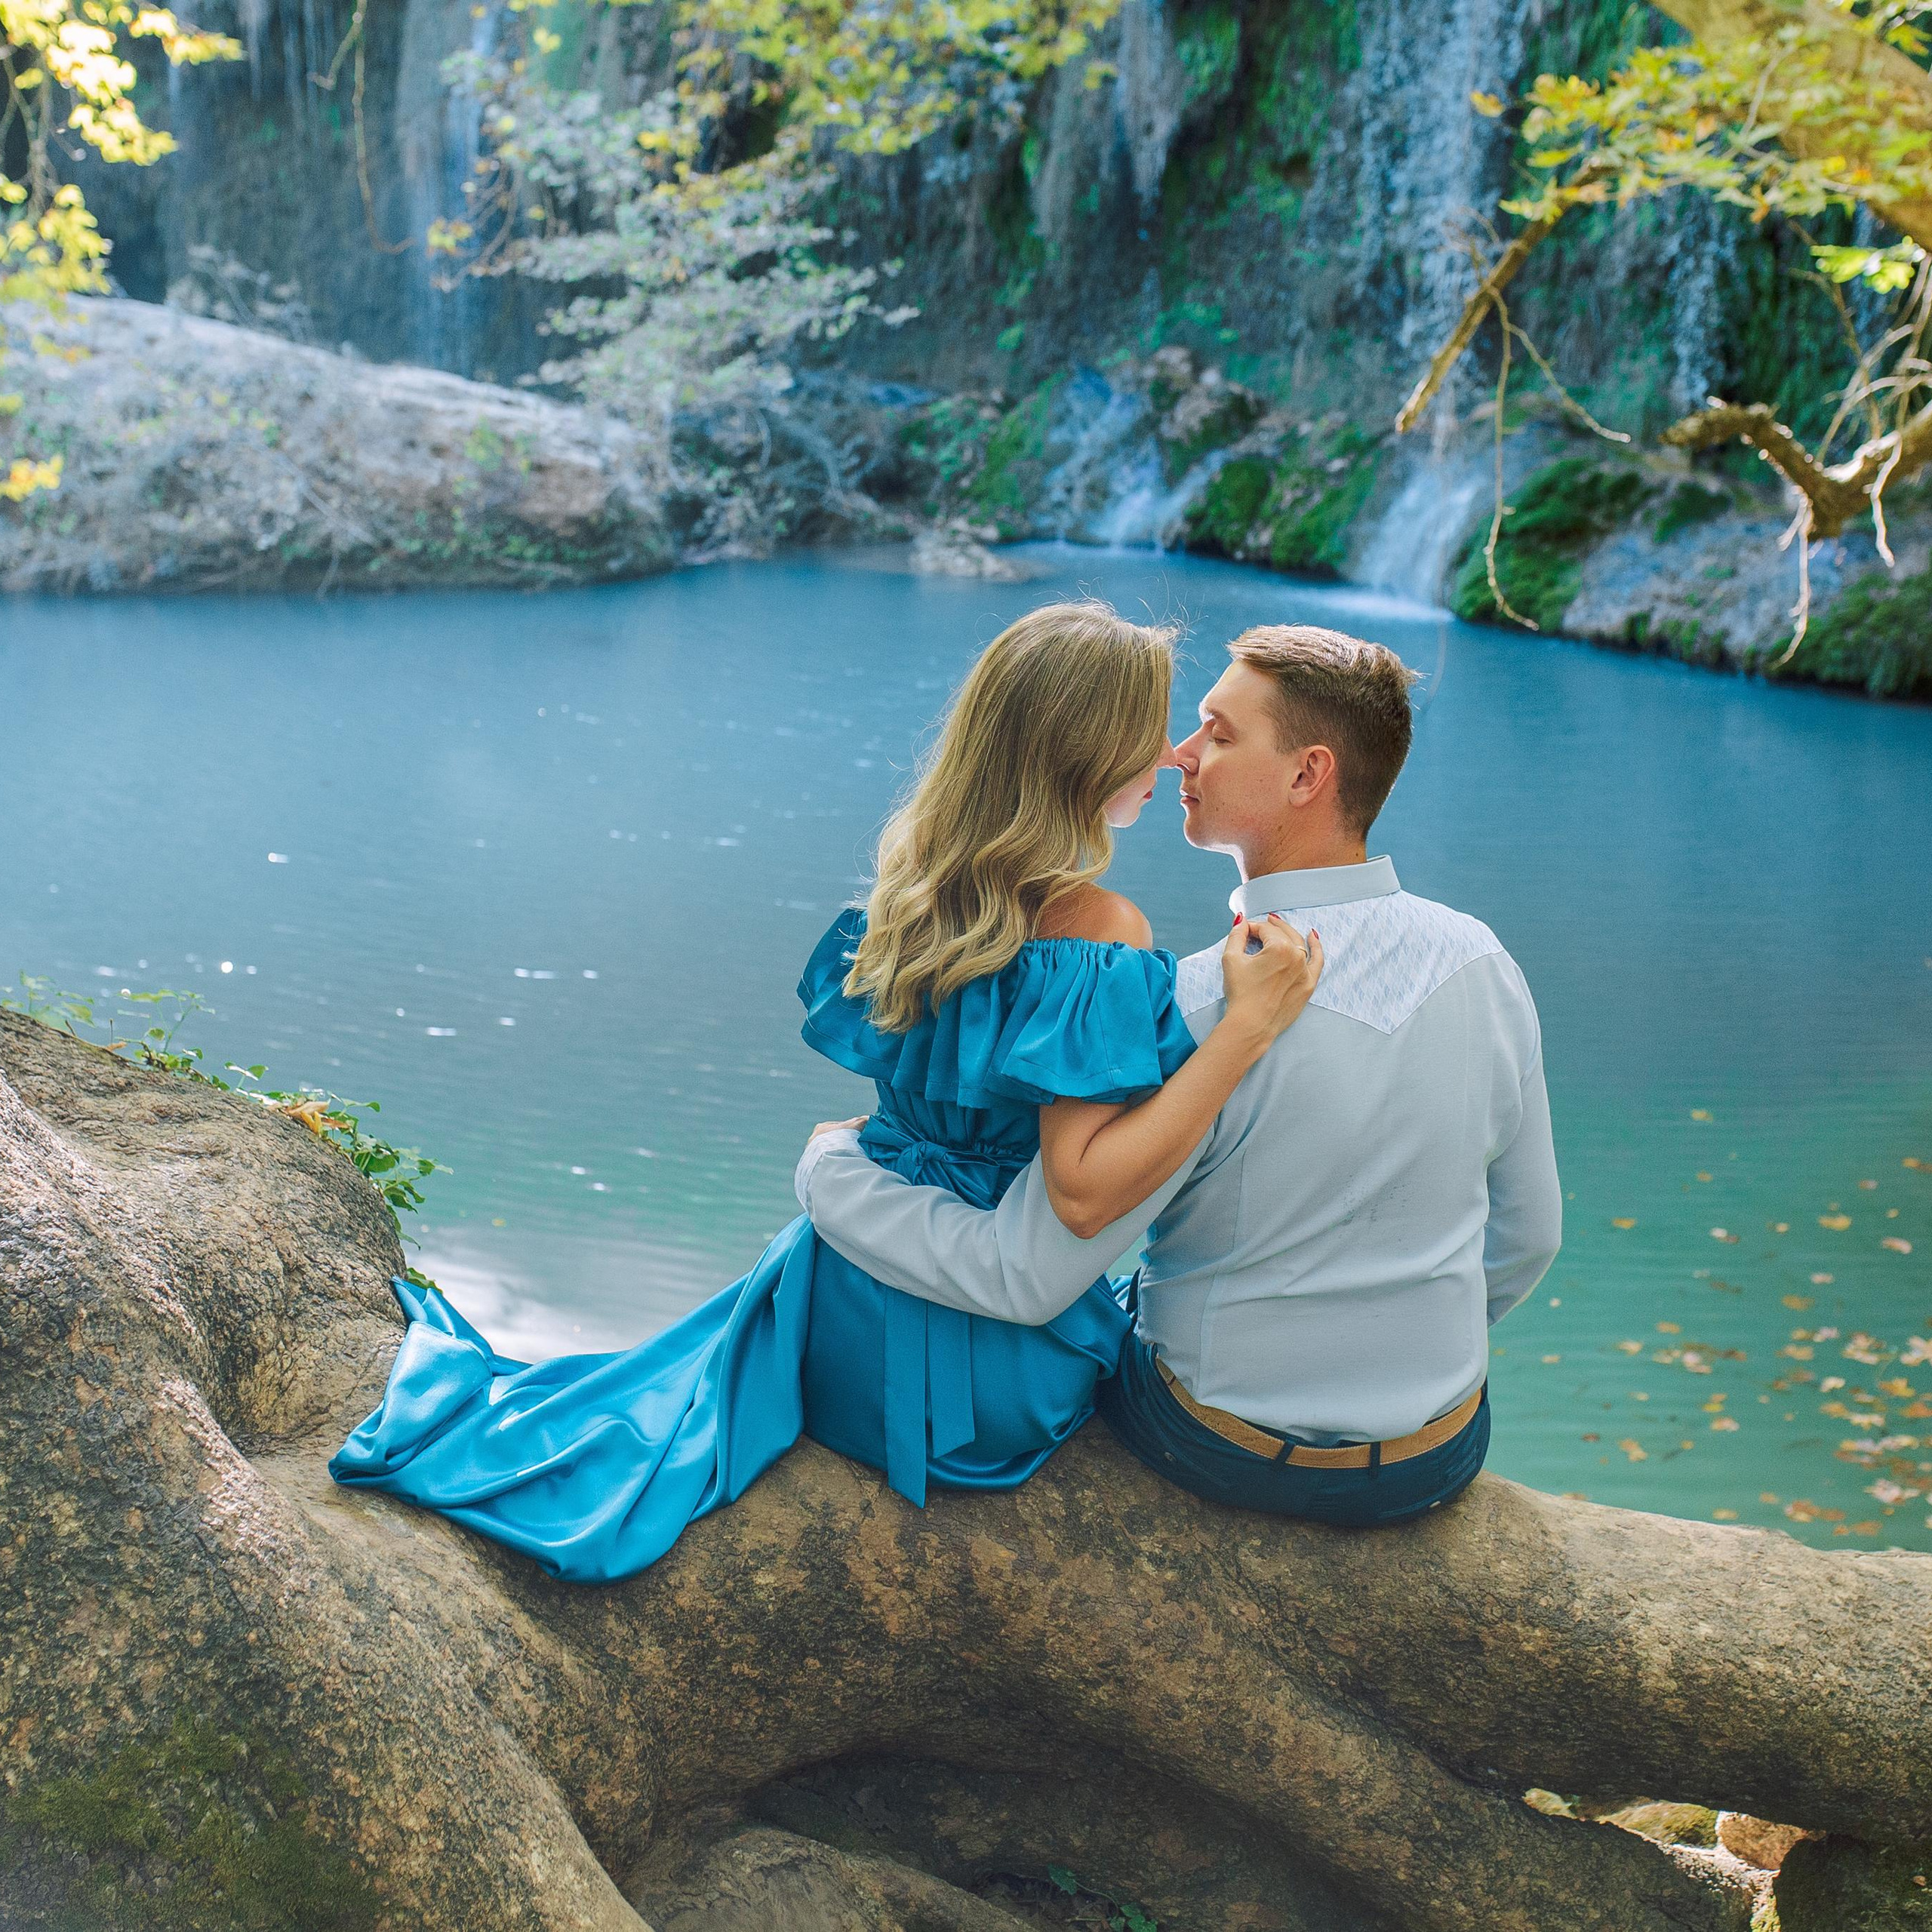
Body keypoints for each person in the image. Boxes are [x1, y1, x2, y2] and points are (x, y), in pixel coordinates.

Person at [331, 601, 1321, 1581]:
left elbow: (910, 1108)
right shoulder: (1098, 927)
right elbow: (1083, 1188)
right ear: (1087, 753)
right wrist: (1243, 1030)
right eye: (1152, 728)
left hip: (824, 1317)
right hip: (968, 1382)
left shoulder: (920, 881)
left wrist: (851, 1157)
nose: (1172, 752)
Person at [797, 623, 1563, 1526]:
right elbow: (1530, 1236)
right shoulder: (1483, 960)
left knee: (1096, 1318)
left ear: (1307, 775)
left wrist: (828, 1174)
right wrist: (1397, 1359)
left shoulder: (1193, 1000)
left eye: (1217, 733)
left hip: (1220, 1448)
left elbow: (1026, 1269)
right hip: (1435, 1452)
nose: (1180, 754)